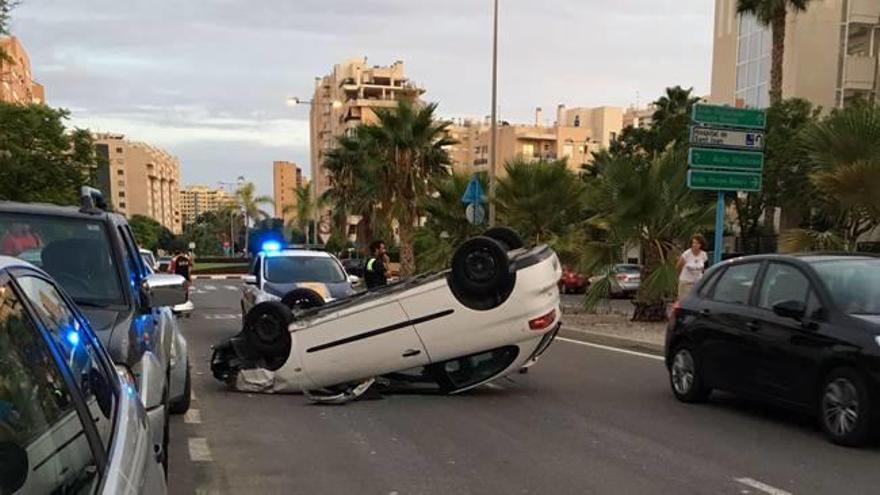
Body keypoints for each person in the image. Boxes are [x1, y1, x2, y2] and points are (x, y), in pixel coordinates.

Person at [677, 234, 708, 301]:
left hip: (697, 283)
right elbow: (678, 266)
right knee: (684, 302)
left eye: (697, 243)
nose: (695, 245)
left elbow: (704, 268)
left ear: (701, 244)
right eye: (693, 243)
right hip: (686, 283)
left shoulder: (704, 255)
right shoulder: (686, 254)